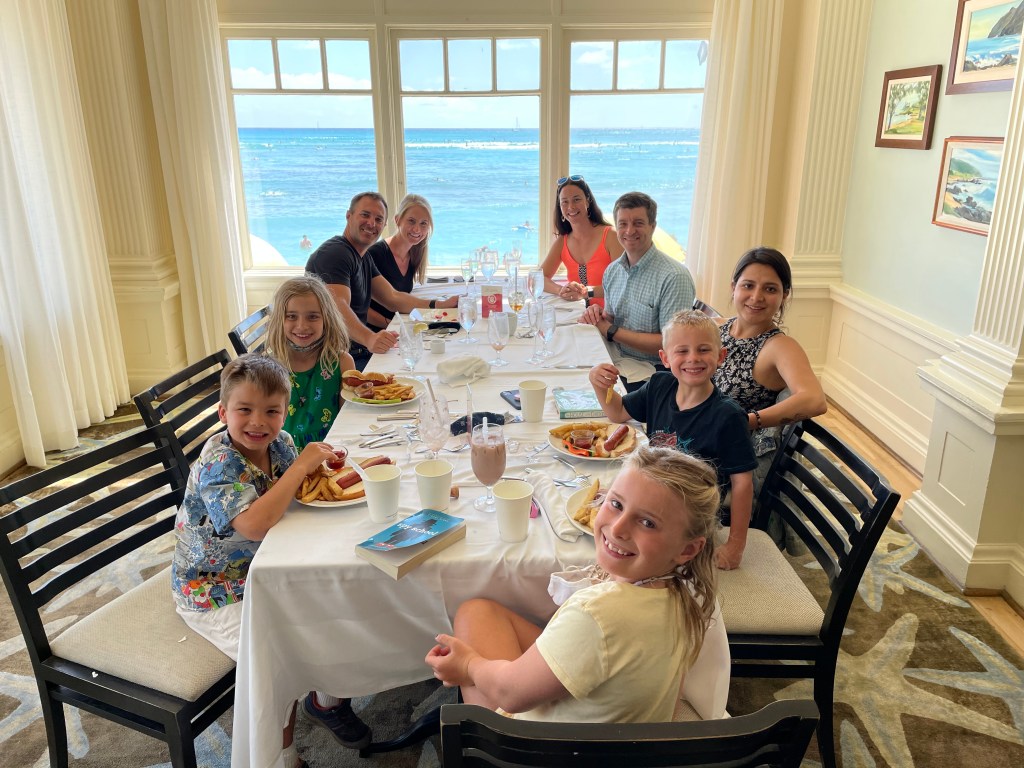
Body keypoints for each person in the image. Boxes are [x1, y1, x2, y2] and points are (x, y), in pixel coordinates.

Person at [170, 354, 371, 767]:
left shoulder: (281, 444)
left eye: (271, 411)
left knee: (342, 596)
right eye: (244, 410)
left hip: (269, 566)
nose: (258, 422)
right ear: (223, 412)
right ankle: (282, 759)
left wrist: (322, 469)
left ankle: (325, 700)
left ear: (285, 411)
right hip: (213, 590)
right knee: (277, 663)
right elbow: (255, 525)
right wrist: (300, 469)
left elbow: (296, 496)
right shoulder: (219, 464)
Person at [424, 446, 722, 723]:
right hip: (621, 738)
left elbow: (509, 695)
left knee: (473, 632)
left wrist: (468, 666)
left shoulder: (597, 615)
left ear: (687, 549)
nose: (618, 528)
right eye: (616, 504)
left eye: (648, 523)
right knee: (477, 611)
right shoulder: (683, 594)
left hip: (539, 746)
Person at [590, 310, 756, 570]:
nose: (693, 358)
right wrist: (600, 385)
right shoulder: (660, 386)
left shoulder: (729, 416)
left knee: (619, 551)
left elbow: (743, 483)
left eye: (703, 350)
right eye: (682, 351)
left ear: (720, 356)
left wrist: (736, 546)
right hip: (653, 498)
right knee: (601, 530)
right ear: (665, 358)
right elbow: (618, 412)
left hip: (691, 516)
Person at [713, 247, 827, 495]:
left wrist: (748, 421)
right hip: (698, 438)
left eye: (770, 289)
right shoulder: (718, 328)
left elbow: (815, 400)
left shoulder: (779, 346)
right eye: (748, 285)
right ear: (733, 287)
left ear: (784, 295)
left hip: (730, 464)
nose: (756, 297)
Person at [305, 192, 458, 370]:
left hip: (358, 351)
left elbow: (392, 297)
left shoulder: (362, 256)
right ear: (349, 216)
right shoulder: (335, 253)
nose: (371, 223)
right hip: (332, 361)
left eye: (378, 219)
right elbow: (337, 306)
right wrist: (369, 338)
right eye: (365, 215)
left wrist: (438, 305)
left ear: (384, 225)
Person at [579, 192, 695, 390]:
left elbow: (672, 344)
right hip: (615, 358)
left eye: (638, 223)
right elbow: (612, 318)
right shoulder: (613, 270)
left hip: (653, 374)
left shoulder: (674, 277)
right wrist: (596, 315)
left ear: (652, 226)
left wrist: (611, 330)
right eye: (623, 224)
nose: (629, 230)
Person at [265, 275, 356, 449]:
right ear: (279, 320)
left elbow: (347, 420)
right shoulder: (268, 368)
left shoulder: (342, 363)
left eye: (313, 317)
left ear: (327, 319)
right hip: (283, 455)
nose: (302, 326)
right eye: (291, 316)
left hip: (330, 450)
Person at [541, 175, 623, 308]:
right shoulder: (562, 242)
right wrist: (561, 290)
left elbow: (623, 283)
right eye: (564, 202)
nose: (571, 207)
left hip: (610, 315)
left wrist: (586, 292)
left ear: (588, 201)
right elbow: (537, 278)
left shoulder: (611, 236)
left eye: (576, 199)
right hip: (577, 315)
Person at [366, 193, 435, 332]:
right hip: (377, 332)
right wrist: (390, 325)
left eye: (423, 223)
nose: (417, 229)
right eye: (411, 221)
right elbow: (359, 307)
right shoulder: (375, 254)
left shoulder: (415, 253)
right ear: (397, 220)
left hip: (399, 326)